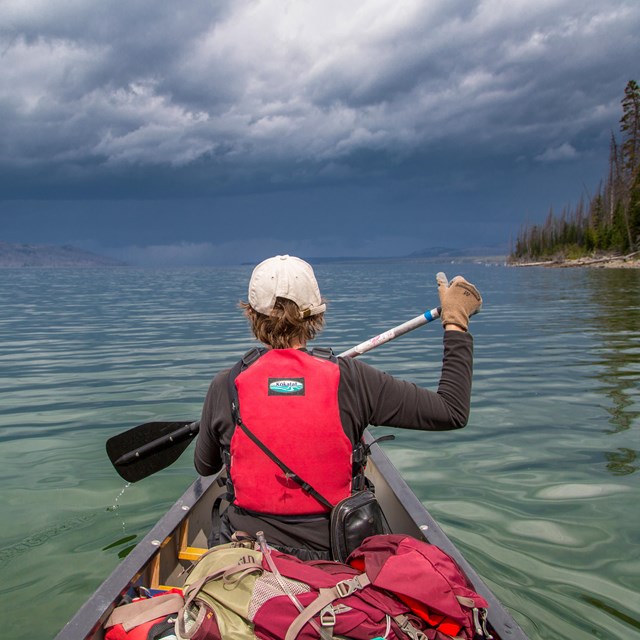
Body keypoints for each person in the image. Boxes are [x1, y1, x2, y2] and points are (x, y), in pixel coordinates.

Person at [195, 254, 482, 559]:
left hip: (247, 554)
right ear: (316, 313)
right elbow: (451, 410)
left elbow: (206, 467)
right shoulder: (353, 379)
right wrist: (455, 323)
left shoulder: (225, 385)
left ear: (251, 314)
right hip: (337, 553)